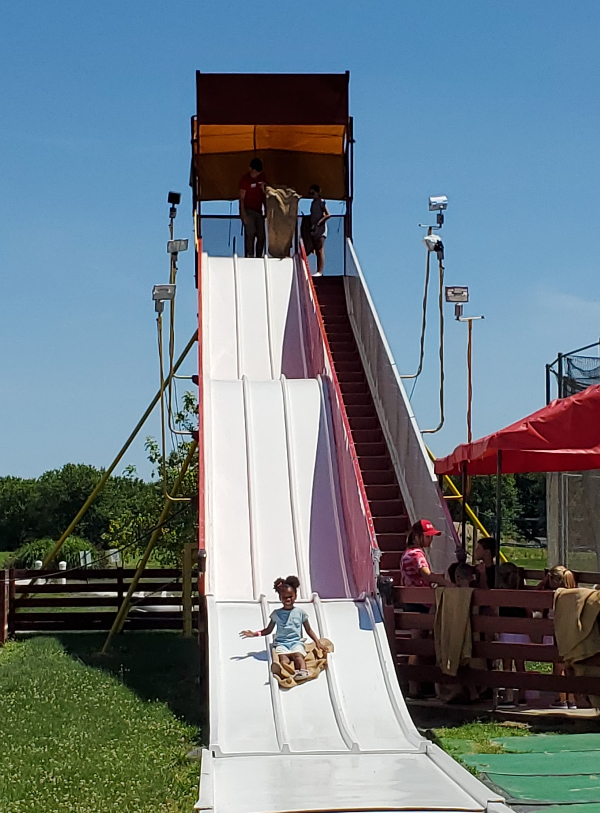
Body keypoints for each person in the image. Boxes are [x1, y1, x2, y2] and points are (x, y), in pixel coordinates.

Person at [400, 519, 454, 699]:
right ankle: (415, 687)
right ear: (418, 537)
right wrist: (447, 584)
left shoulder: (408, 553)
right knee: (418, 645)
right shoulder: (417, 555)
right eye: (428, 537)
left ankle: (417, 686)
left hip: (413, 602)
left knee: (419, 645)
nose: (430, 540)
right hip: (421, 604)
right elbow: (426, 575)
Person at [240, 575, 325, 680]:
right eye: (285, 597)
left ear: (295, 596)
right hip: (282, 644)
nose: (288, 599)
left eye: (290, 596)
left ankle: (303, 671)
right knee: (283, 659)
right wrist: (254, 634)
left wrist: (317, 641)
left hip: (296, 642)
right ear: (280, 598)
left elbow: (308, 629)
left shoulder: (300, 613)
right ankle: (283, 670)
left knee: (298, 656)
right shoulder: (276, 614)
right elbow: (268, 630)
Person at [537, 566, 578, 709]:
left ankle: (560, 698)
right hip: (571, 633)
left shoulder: (554, 595)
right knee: (569, 666)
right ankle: (571, 699)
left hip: (556, 631)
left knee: (558, 666)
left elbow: (536, 594)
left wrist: (543, 582)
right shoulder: (574, 594)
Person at [496, 562, 528, 708]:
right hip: (521, 632)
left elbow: (496, 612)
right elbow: (529, 612)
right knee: (520, 665)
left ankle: (509, 696)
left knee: (507, 665)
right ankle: (522, 696)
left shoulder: (502, 595)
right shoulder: (522, 593)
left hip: (506, 632)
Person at [239, 158, 267, 258]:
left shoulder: (261, 178)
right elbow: (241, 198)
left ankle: (259, 255)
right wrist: (243, 214)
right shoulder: (245, 180)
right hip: (248, 210)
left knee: (261, 235)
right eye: (255, 172)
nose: (256, 174)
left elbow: (264, 194)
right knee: (250, 233)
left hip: (259, 211)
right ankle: (250, 255)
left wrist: (266, 208)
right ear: (251, 169)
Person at [308, 184, 330, 277]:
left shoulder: (321, 202)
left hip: (321, 229)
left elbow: (328, 214)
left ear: (317, 193)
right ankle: (317, 270)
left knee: (320, 249)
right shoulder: (313, 203)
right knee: (316, 249)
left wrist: (319, 222)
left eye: (312, 193)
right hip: (315, 229)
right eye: (310, 193)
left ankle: (320, 271)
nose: (311, 195)